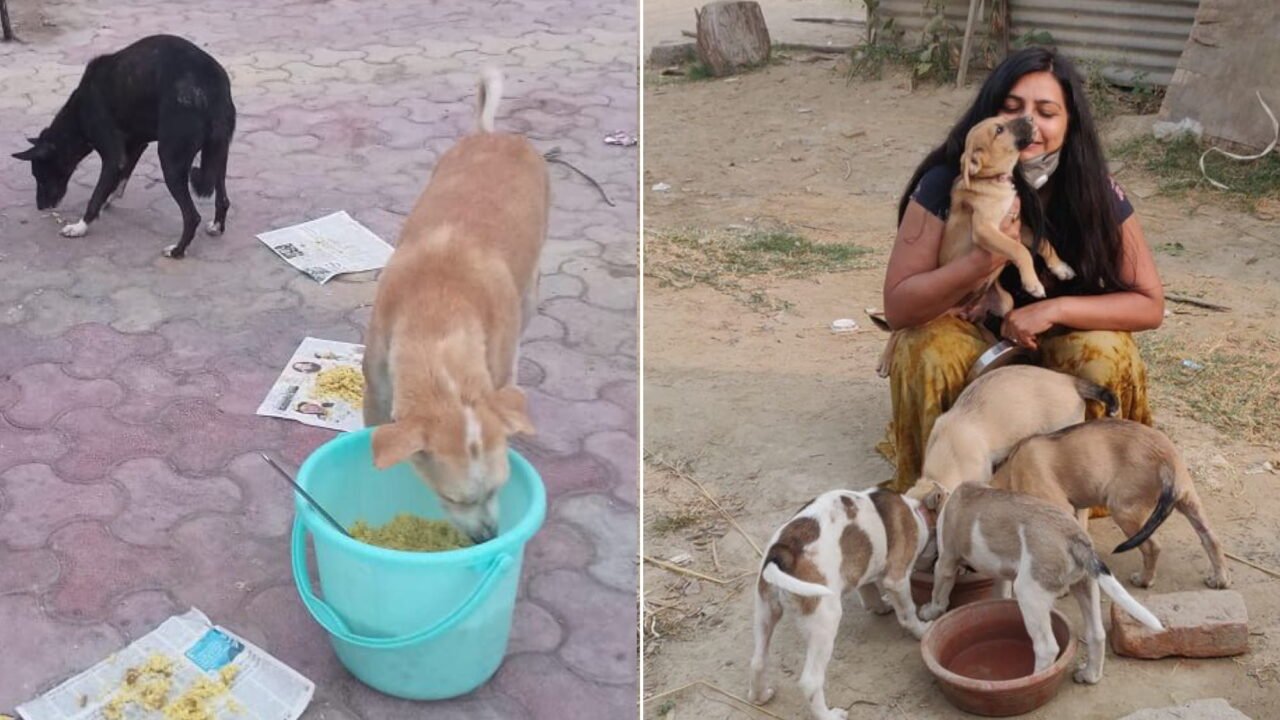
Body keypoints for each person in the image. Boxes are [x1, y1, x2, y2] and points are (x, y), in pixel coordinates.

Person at [878, 47, 1164, 494]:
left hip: (1059, 355)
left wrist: (1054, 310)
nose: (1028, 125)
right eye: (1011, 110)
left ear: (1070, 123)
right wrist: (980, 262)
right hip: (979, 350)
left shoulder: (1096, 192)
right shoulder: (947, 182)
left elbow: (1149, 305)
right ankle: (938, 497)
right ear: (988, 118)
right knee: (924, 347)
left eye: (1047, 112)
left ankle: (1088, 489)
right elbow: (898, 306)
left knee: (1106, 353)